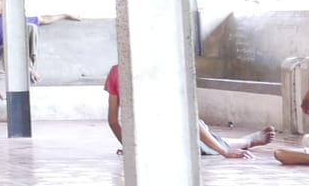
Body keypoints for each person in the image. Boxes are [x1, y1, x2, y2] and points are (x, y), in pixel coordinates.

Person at [104, 65, 278, 158]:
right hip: (168, 140)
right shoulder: (157, 74)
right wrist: (224, 152)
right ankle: (246, 141)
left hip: (147, 142)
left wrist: (130, 147)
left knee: (199, 132)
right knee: (199, 137)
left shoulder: (116, 72)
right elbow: (188, 120)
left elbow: (113, 121)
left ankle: (245, 140)